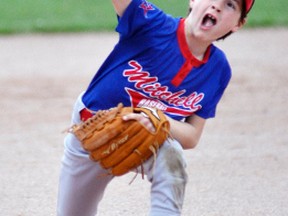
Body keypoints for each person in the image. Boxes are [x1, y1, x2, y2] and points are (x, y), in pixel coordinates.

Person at [57, 0, 255, 215]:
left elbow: (192, 137)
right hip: (90, 136)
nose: (217, 6)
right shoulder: (152, 23)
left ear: (238, 24)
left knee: (172, 157)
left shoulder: (219, 69)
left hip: (150, 140)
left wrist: (156, 117)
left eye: (230, 5)